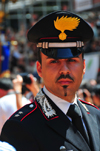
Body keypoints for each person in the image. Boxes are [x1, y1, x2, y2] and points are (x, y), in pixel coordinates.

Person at [1, 11, 100, 151]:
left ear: (83, 66)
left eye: (72, 60)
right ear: (39, 69)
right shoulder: (21, 127)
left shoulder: (96, 116)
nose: (64, 70)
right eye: (54, 61)